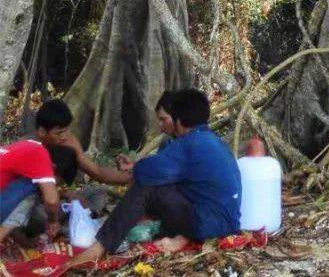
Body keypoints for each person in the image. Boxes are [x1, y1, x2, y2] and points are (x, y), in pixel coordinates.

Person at [64, 89, 241, 270]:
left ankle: (99, 248)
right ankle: (177, 236)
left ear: (178, 120)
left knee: (146, 187)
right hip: (227, 222)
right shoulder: (213, 141)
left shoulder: (188, 144)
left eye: (165, 119)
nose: (161, 125)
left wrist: (136, 167)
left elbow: (146, 174)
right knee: (161, 184)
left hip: (209, 224)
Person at [0, 99, 70, 245]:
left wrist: (26, 243)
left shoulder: (19, 146)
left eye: (66, 131)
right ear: (42, 131)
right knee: (33, 187)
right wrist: (53, 221)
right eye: (59, 132)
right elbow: (52, 200)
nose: (64, 137)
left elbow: (13, 205)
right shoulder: (39, 152)